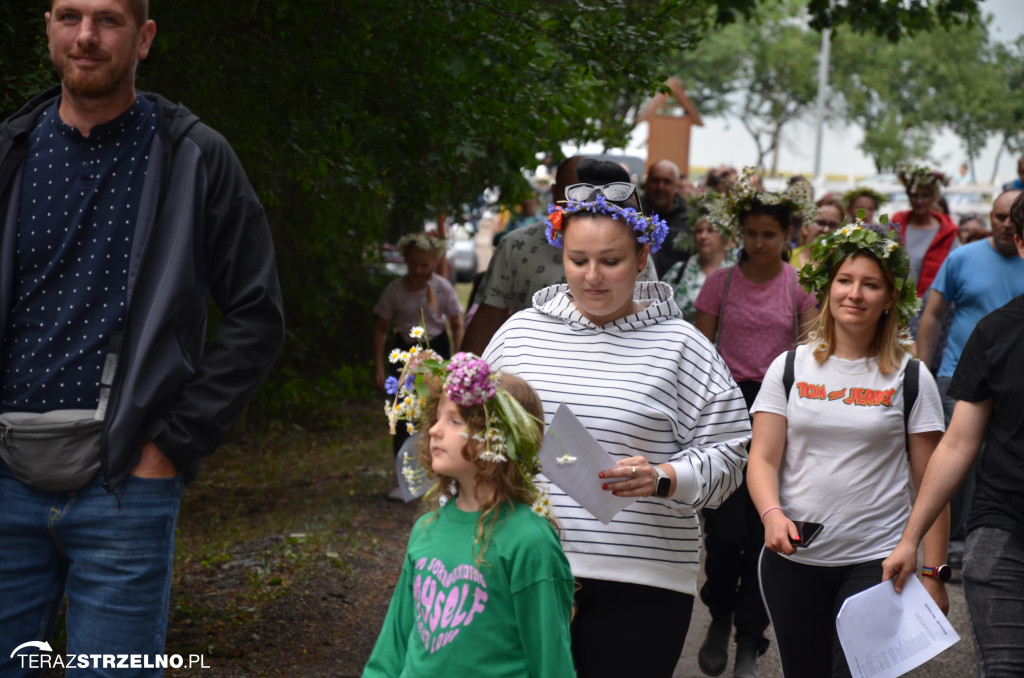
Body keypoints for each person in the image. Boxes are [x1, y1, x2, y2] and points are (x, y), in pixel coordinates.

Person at [0, 0, 286, 671]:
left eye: (109, 20)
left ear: (145, 37)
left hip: (125, 485)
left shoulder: (194, 156)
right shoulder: (10, 153)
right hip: (5, 482)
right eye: (70, 16)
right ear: (47, 27)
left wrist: (172, 444)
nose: (87, 37)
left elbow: (257, 313)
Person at [482, 158, 751, 677]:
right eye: (578, 259)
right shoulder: (518, 336)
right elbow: (478, 434)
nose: (592, 276)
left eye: (611, 260)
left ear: (643, 253)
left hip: (644, 582)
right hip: (525, 569)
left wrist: (664, 477)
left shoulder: (682, 347)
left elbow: (731, 453)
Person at [747, 221, 949, 677]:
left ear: (891, 296)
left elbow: (933, 481)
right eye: (845, 280)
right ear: (827, 288)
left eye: (870, 284)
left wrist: (935, 571)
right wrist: (770, 513)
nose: (855, 294)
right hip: (793, 561)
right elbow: (761, 458)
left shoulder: (912, 377)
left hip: (875, 562)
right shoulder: (790, 366)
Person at [883, 191, 1024, 677]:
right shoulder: (996, 333)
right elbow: (959, 444)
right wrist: (912, 540)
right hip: (1005, 532)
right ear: (1021, 245)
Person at [365, 351, 574, 677]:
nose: (434, 430)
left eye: (454, 421)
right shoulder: (426, 529)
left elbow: (551, 663)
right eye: (436, 418)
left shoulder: (530, 540)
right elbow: (393, 646)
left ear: (497, 437)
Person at [693, 167, 819, 678]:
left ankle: (751, 637)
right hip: (725, 412)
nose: (759, 242)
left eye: (770, 234)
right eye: (751, 233)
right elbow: (698, 357)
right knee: (723, 534)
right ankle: (719, 614)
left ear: (788, 235)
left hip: (778, 412)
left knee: (765, 526)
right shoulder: (718, 285)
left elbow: (813, 357)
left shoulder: (800, 287)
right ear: (738, 233)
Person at [915, 188, 1024, 569]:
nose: (1006, 225)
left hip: (1013, 381)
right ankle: (955, 539)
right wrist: (923, 370)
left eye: (1013, 219)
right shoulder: (962, 258)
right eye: (999, 217)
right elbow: (932, 314)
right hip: (955, 374)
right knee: (960, 450)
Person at [461, 156, 657, 354]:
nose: (586, 204)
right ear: (555, 193)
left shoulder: (674, 343)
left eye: (610, 261)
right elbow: (485, 323)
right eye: (578, 260)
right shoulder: (516, 247)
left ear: (640, 259)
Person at [372, 232, 464, 393]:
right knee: (403, 400)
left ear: (434, 263)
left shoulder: (442, 288)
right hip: (404, 350)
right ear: (406, 260)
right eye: (413, 264)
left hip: (436, 350)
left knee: (433, 401)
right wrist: (378, 367)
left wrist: (458, 361)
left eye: (424, 266)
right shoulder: (394, 290)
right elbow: (380, 329)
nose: (418, 270)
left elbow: (457, 325)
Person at [661, 199, 736, 323]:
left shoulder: (737, 271)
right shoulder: (678, 271)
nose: (703, 236)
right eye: (699, 231)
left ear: (723, 237)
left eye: (710, 230)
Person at [644, 158, 692, 275]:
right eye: (655, 181)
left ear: (676, 186)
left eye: (667, 182)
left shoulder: (689, 221)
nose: (660, 187)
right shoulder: (633, 214)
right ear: (647, 183)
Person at [791, 195, 844, 268]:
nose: (826, 230)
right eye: (821, 223)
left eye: (833, 225)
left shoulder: (844, 264)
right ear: (805, 227)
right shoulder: (787, 259)